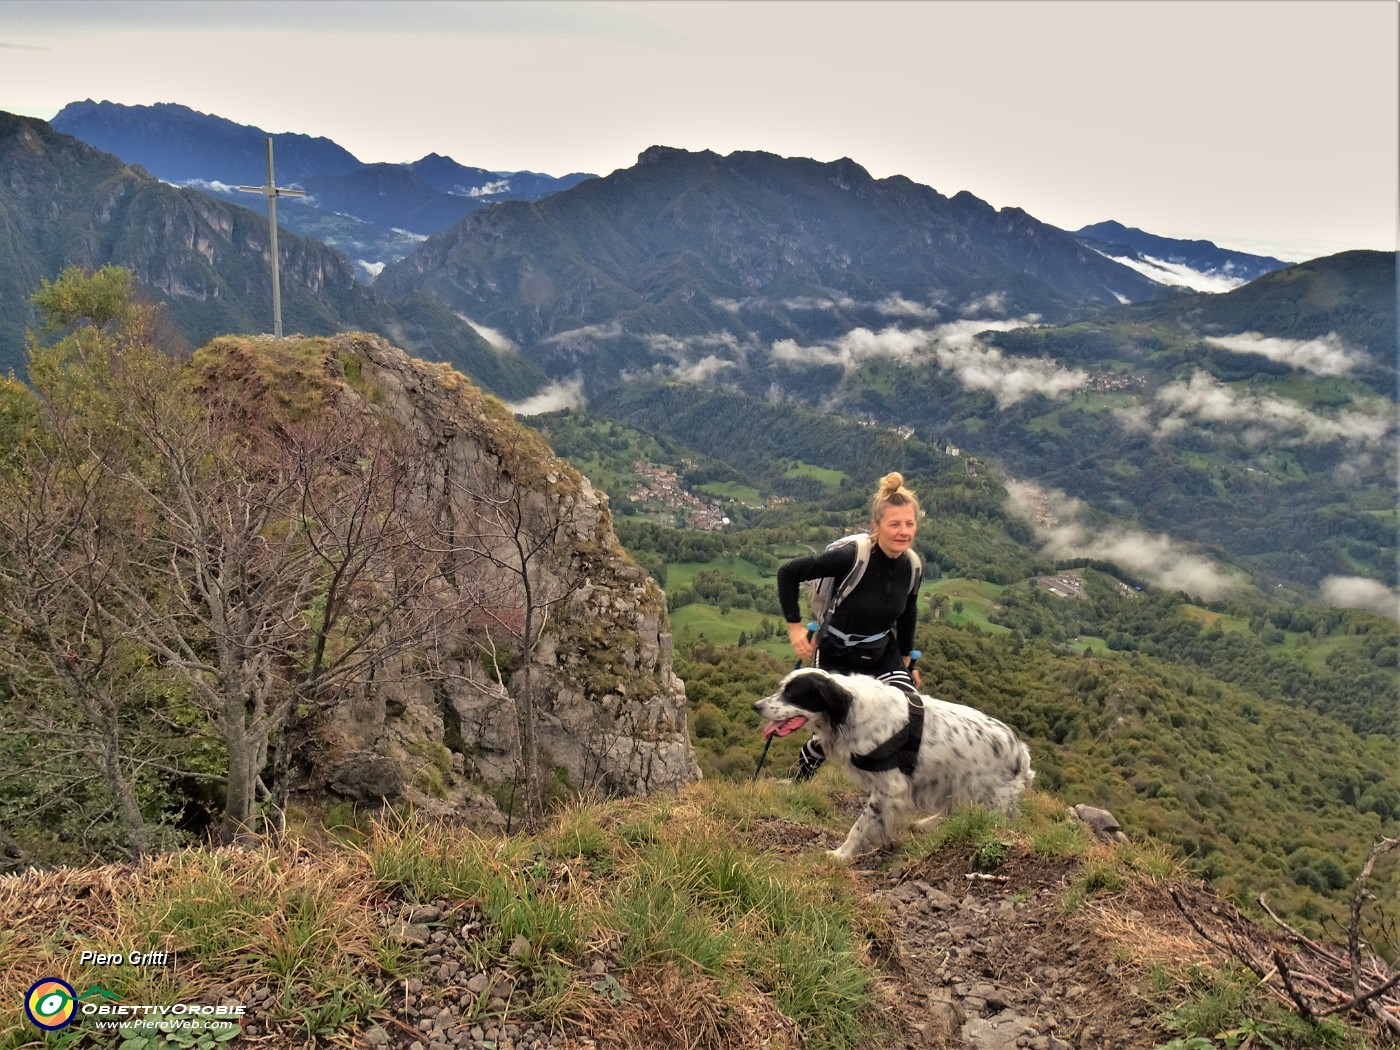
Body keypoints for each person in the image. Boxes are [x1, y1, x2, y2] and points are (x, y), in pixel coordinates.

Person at [776, 471, 924, 780]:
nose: (903, 531)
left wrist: (908, 660)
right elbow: (788, 573)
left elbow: (908, 610)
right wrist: (795, 628)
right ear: (876, 526)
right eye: (894, 524)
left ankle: (893, 780)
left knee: (910, 710)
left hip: (882, 650)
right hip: (836, 651)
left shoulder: (912, 566)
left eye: (909, 524)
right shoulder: (852, 558)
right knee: (829, 726)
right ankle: (801, 779)